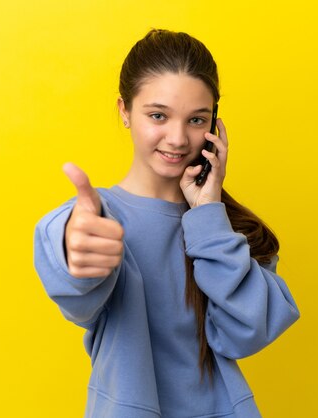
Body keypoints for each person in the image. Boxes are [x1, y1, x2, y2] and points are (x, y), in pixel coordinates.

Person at [34, 28, 300, 418]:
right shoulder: (97, 218)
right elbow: (76, 283)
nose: (177, 138)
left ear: (215, 127)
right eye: (158, 115)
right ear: (124, 111)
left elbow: (246, 333)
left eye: (196, 119)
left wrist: (208, 215)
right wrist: (76, 251)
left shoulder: (230, 229)